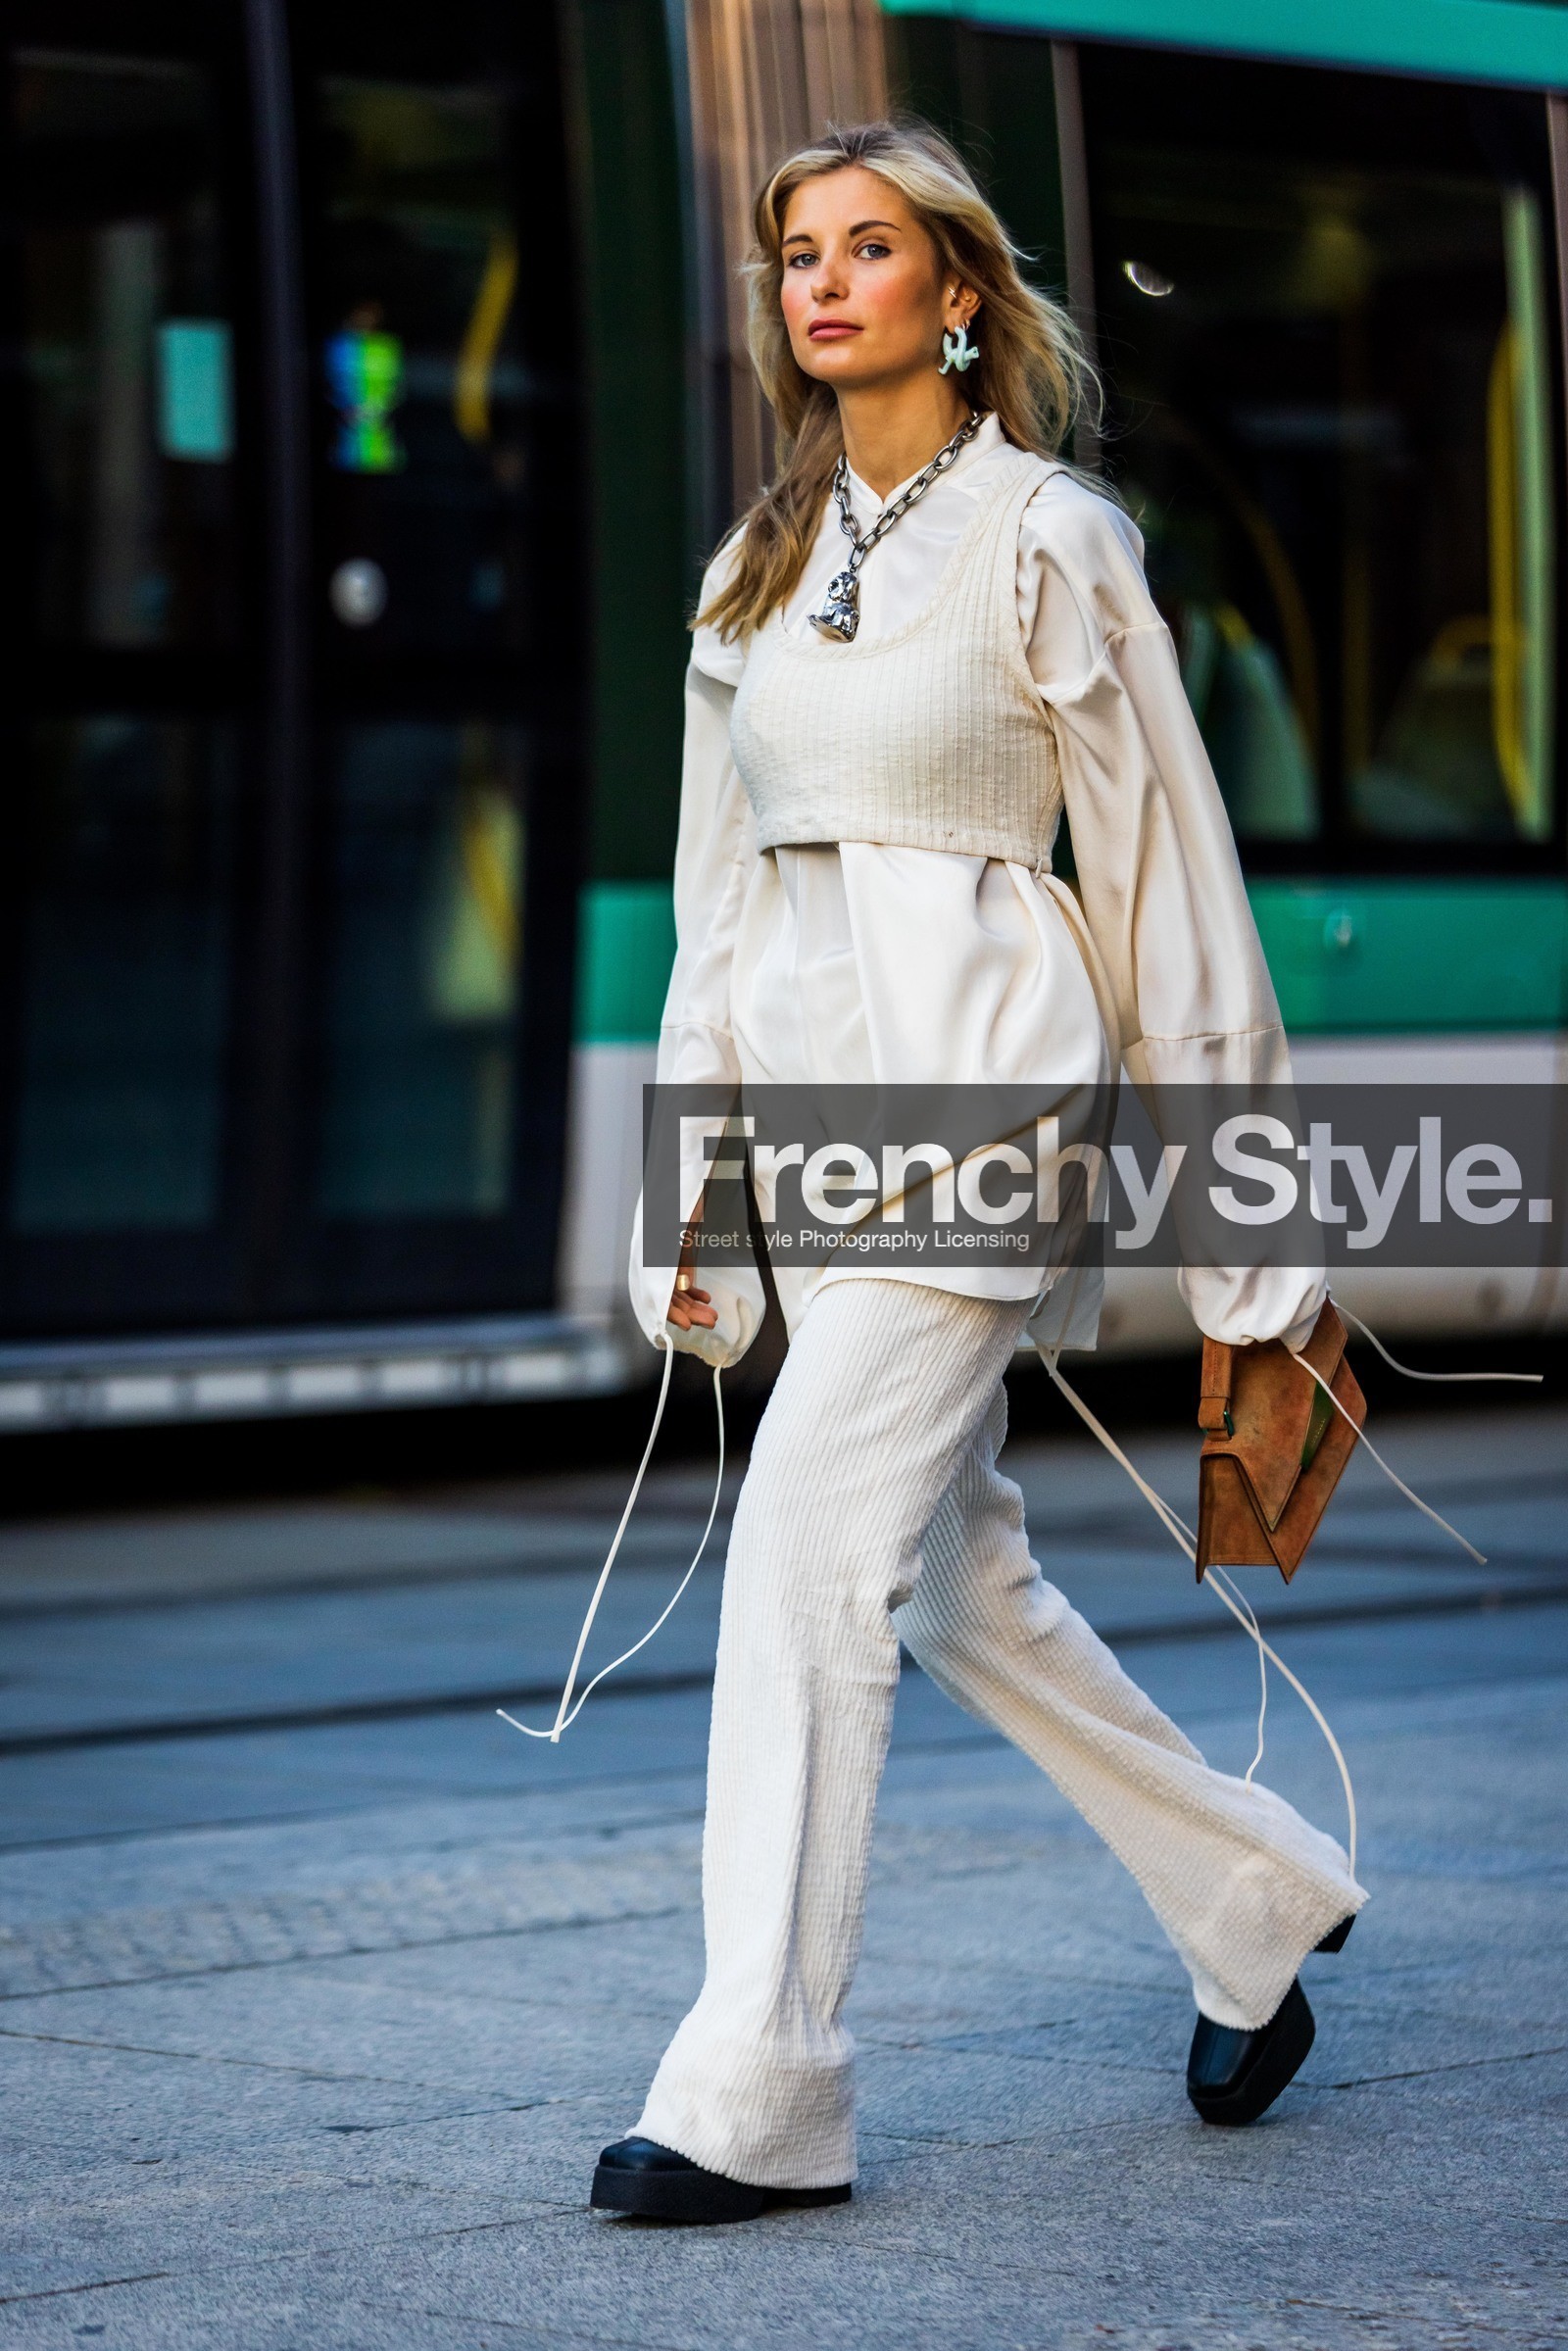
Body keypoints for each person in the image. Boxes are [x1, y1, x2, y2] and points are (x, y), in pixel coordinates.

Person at [594, 119, 1364, 2228]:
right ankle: (1253, 1900)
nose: (820, 283)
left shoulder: (1050, 538)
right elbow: (712, 909)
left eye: (867, 249)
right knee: (948, 1577)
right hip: (822, 1121)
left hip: (990, 1105)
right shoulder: (746, 577)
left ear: (956, 291)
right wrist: (697, 1209)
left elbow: (1167, 892)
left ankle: (758, 2084)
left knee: (800, 1555)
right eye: (792, 257)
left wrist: (1250, 1257)